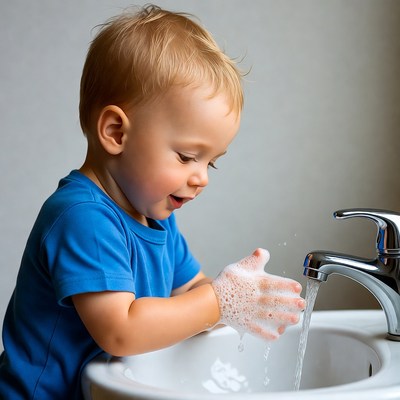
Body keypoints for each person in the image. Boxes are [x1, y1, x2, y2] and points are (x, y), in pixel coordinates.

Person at [0, 5, 305, 399]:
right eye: (185, 156)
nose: (202, 178)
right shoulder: (83, 218)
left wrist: (241, 300)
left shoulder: (154, 219)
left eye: (211, 162)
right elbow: (121, 330)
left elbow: (187, 290)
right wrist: (220, 302)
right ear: (115, 132)